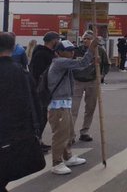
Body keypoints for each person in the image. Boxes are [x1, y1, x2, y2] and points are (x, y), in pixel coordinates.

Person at [0, 32, 43, 190]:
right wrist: (36, 129)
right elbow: (34, 103)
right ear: (13, 48)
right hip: (17, 135)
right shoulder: (22, 73)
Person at [47, 39, 96, 175]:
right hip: (58, 106)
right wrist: (91, 49)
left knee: (68, 132)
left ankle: (67, 157)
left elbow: (80, 67)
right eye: (69, 51)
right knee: (60, 135)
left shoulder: (64, 64)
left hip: (64, 103)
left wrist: (91, 62)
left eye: (72, 50)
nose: (72, 53)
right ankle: (56, 163)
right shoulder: (59, 62)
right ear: (59, 52)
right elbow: (81, 63)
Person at [71, 30, 109, 143]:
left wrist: (101, 75)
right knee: (73, 108)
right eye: (84, 38)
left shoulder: (100, 50)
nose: (86, 40)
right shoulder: (77, 50)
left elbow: (106, 65)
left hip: (92, 81)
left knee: (90, 108)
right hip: (77, 81)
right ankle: (70, 134)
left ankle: (85, 131)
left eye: (88, 38)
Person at [29, 31, 60, 152]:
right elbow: (40, 73)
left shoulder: (44, 53)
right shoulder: (43, 54)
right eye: (57, 39)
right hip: (41, 89)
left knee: (42, 117)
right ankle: (37, 141)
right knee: (41, 117)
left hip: (42, 89)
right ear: (53, 41)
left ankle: (38, 140)